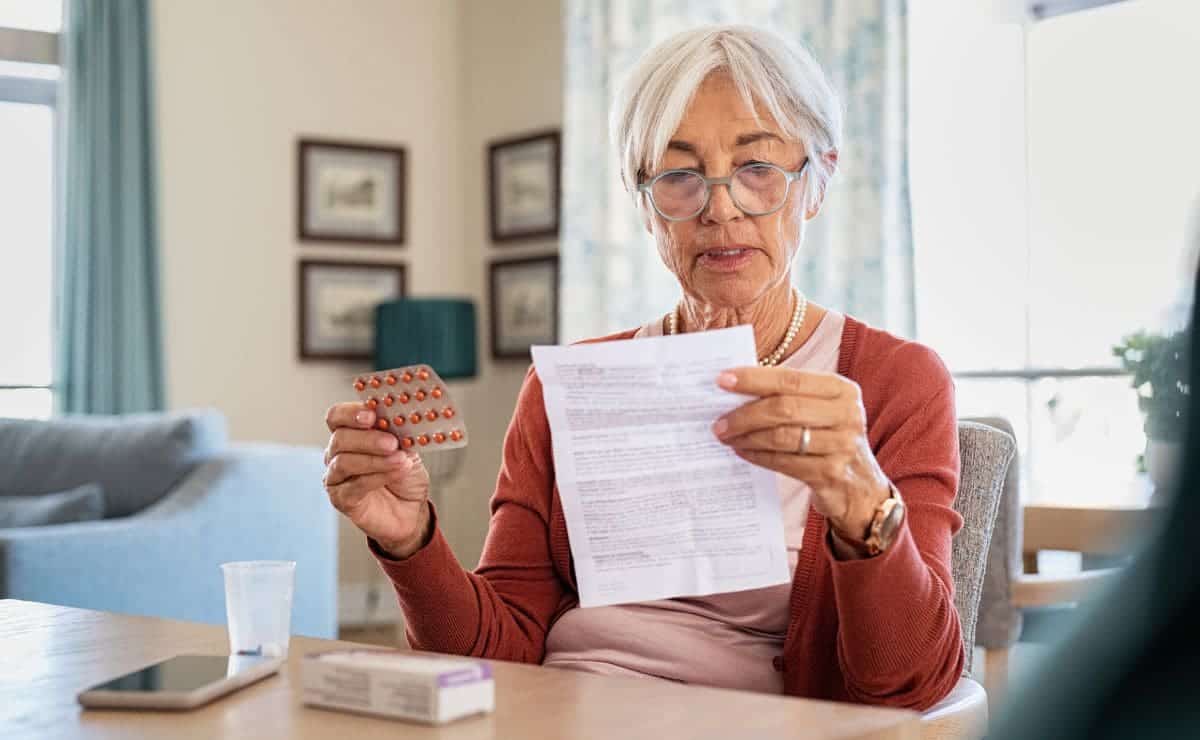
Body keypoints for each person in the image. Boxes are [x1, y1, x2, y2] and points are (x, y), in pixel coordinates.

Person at [322, 25, 963, 710]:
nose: (720, 208)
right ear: (643, 200)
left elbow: (911, 685)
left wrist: (863, 501)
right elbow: (495, 655)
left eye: (757, 170)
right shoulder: (566, 386)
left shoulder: (896, 383)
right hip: (556, 715)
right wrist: (412, 541)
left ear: (817, 182)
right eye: (680, 176)